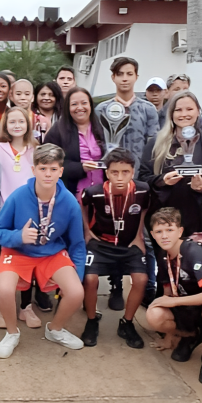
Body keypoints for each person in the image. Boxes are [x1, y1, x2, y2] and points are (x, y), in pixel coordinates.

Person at [0, 144, 87, 358]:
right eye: (43, 168)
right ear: (33, 170)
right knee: (5, 289)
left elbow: (77, 244)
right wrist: (18, 236)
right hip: (17, 251)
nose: (48, 174)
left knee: (76, 292)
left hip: (51, 253)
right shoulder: (17, 196)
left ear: (61, 172)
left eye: (53, 169)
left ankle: (55, 329)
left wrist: (77, 276)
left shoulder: (70, 202)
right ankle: (11, 333)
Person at [79, 148, 149, 349]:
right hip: (101, 243)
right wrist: (87, 231)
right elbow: (82, 206)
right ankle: (92, 321)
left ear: (133, 171)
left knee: (141, 279)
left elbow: (144, 208)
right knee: (90, 279)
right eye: (115, 172)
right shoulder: (94, 192)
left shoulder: (143, 190)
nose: (120, 177)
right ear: (107, 173)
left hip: (129, 244)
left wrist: (139, 235)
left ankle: (126, 323)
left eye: (125, 172)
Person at [145, 207, 202, 363]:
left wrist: (174, 301)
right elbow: (168, 291)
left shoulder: (192, 252)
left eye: (169, 230)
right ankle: (189, 334)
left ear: (180, 231)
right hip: (186, 306)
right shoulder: (162, 254)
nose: (164, 236)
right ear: (152, 235)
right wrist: (168, 339)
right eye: (159, 232)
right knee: (154, 314)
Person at [0, 107, 51, 323]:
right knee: (5, 261)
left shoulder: (36, 150)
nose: (17, 125)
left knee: (29, 260)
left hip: (31, 214)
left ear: (28, 124)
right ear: (5, 125)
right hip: (5, 215)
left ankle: (26, 306)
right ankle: (2, 307)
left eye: (21, 121)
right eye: (12, 122)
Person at [140, 91, 202, 237]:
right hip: (160, 215)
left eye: (189, 109)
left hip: (192, 216)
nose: (184, 114)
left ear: (198, 111)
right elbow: (143, 177)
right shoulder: (156, 142)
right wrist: (162, 180)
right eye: (178, 110)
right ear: (171, 113)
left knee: (188, 256)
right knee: (162, 258)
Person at [93, 57, 159, 170]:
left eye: (129, 74)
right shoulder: (101, 110)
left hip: (139, 173)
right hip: (108, 173)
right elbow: (96, 143)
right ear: (113, 77)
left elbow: (154, 144)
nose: (125, 79)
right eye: (120, 74)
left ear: (136, 77)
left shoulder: (148, 109)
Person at [44, 87, 105, 197]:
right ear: (68, 107)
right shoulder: (58, 130)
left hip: (101, 193)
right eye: (74, 104)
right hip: (71, 194)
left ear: (91, 105)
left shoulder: (102, 127)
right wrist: (80, 168)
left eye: (84, 103)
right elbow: (48, 163)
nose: (80, 107)